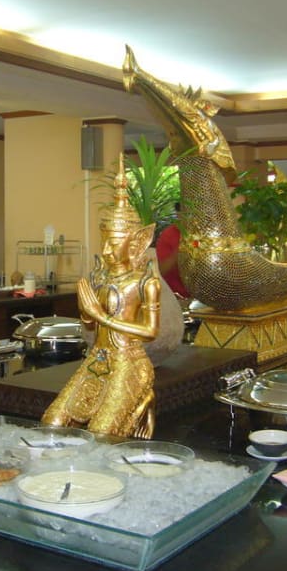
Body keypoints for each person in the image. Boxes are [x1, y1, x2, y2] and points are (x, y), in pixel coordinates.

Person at [42, 156, 160, 438]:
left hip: (129, 362)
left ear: (136, 244)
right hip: (97, 360)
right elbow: (92, 324)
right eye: (103, 241)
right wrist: (86, 312)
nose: (106, 250)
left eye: (113, 243)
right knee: (52, 423)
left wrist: (100, 315)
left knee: (101, 433)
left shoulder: (145, 282)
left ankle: (141, 402)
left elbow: (150, 331)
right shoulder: (100, 276)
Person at [154, 204, 189, 298]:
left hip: (202, 296)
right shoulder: (168, 235)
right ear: (178, 214)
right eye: (186, 213)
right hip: (175, 296)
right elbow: (160, 271)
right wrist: (177, 255)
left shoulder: (204, 233)